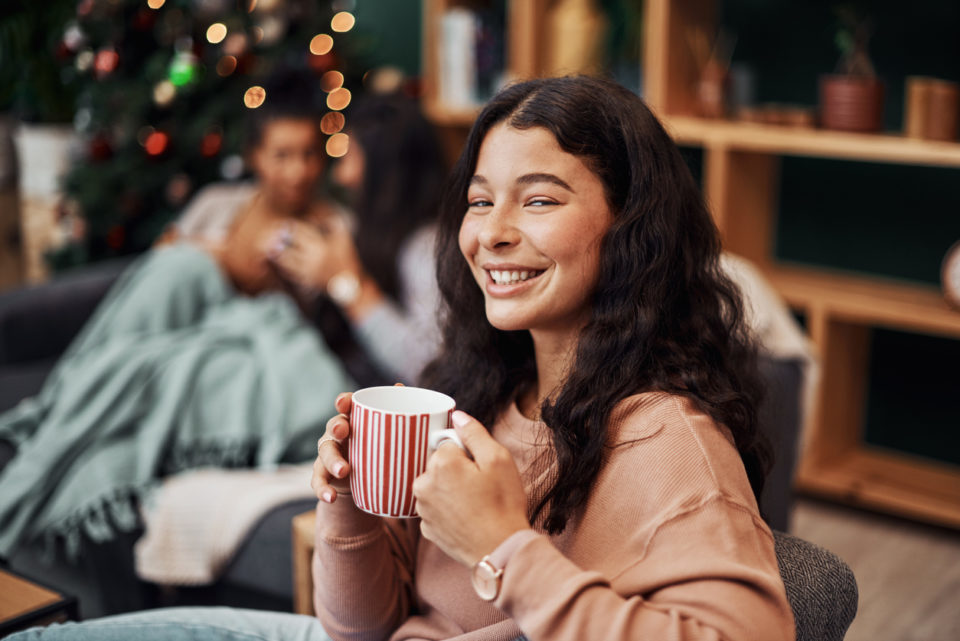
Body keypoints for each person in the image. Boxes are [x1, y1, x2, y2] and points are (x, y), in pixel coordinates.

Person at [8, 76, 794, 640]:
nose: (491, 231)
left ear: (632, 226)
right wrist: (347, 506)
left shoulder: (669, 441)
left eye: (541, 198)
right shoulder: (480, 393)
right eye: (481, 199)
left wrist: (504, 548)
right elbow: (359, 625)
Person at [0, 73, 446, 568]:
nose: (304, 171)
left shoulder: (339, 231)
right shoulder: (220, 205)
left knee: (163, 356)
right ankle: (72, 392)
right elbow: (158, 275)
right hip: (191, 316)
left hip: (251, 341)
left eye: (313, 155)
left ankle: (74, 405)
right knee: (183, 267)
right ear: (254, 157)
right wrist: (219, 258)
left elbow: (338, 335)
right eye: (282, 155)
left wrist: (324, 283)